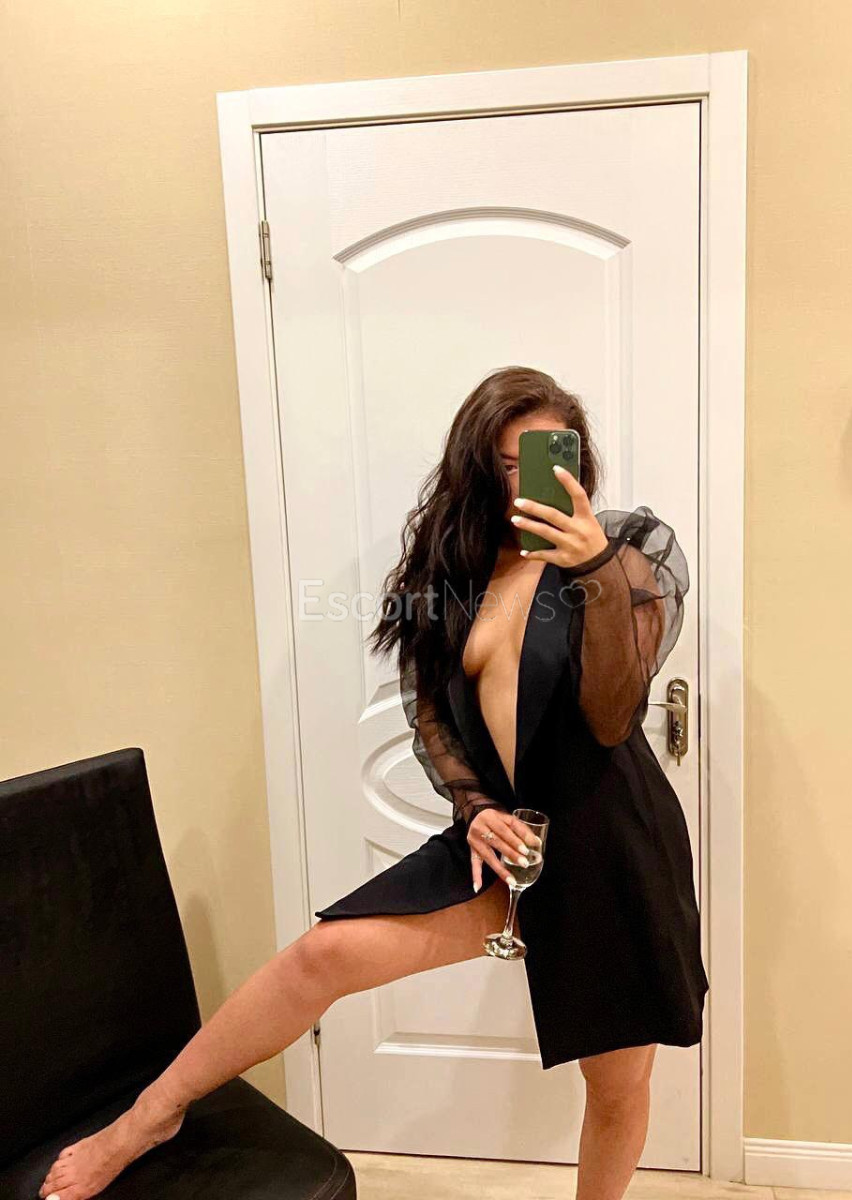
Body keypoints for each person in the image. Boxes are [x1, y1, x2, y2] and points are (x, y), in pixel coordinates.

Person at [38, 366, 708, 1200]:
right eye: (504, 464)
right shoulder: (456, 575)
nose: (523, 482)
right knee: (322, 955)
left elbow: (612, 716)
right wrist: (472, 807)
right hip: (504, 835)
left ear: (577, 464)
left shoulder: (623, 561)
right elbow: (431, 709)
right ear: (474, 466)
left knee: (614, 1085)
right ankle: (150, 1116)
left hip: (612, 845)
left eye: (545, 459)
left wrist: (596, 569)